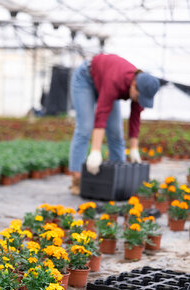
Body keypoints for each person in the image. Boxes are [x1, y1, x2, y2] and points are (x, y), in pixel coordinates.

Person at [68, 53, 160, 195]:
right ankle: (77, 179)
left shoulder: (141, 87)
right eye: (138, 97)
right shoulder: (116, 80)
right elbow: (101, 115)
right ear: (134, 85)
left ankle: (119, 179)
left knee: (116, 132)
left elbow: (135, 118)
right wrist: (95, 152)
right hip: (86, 79)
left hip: (104, 82)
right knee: (85, 128)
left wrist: (134, 148)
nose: (138, 100)